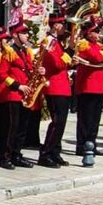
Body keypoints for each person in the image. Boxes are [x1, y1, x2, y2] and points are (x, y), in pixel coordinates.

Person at [0, 21, 34, 169]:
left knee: (23, 128)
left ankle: (16, 154)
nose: (27, 35)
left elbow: (28, 69)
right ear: (16, 35)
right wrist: (17, 85)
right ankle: (5, 157)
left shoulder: (26, 51)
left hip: (26, 94)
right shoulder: (8, 52)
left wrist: (39, 71)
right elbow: (2, 74)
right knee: (11, 128)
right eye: (24, 33)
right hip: (13, 94)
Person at [39, 14, 72, 168]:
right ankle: (46, 153)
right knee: (57, 122)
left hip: (62, 87)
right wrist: (69, 55)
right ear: (55, 25)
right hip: (55, 87)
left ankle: (55, 151)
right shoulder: (49, 41)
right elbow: (57, 64)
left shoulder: (56, 42)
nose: (63, 27)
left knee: (61, 123)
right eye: (61, 24)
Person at [74, 21, 103, 156]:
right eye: (96, 32)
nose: (98, 34)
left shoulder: (98, 45)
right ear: (88, 33)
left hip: (99, 87)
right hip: (87, 87)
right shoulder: (84, 44)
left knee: (95, 120)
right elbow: (97, 58)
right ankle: (82, 146)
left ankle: (91, 144)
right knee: (86, 119)